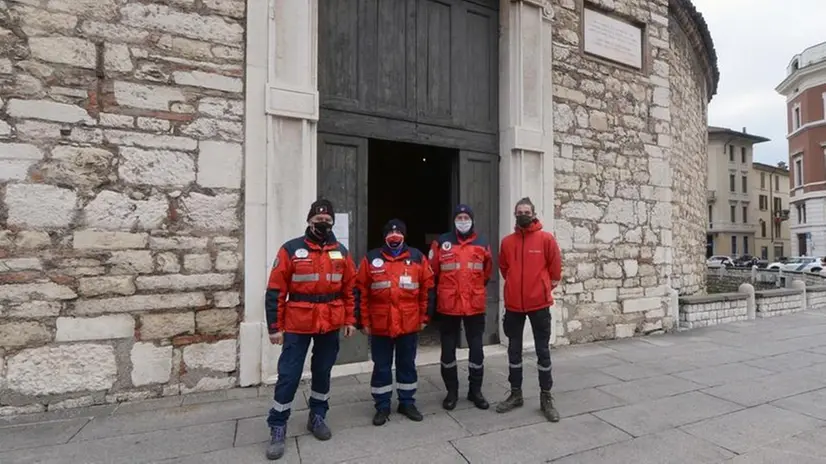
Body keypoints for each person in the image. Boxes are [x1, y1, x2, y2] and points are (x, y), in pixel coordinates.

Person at [264, 199, 358, 460]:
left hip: (330, 322)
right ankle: (278, 425)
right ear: (309, 221)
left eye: (327, 221)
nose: (323, 225)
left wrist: (350, 320)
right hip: (298, 323)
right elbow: (275, 290)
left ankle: (318, 416)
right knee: (289, 375)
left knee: (323, 371)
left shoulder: (341, 252)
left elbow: (350, 289)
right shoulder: (291, 249)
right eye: (318, 221)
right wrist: (275, 327)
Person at [356, 219, 435, 426]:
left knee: (406, 364)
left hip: (408, 324)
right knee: (381, 366)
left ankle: (407, 402)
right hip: (380, 324)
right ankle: (382, 405)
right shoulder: (371, 258)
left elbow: (427, 289)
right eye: (390, 232)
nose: (394, 235)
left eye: (399, 232)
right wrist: (362, 321)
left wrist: (425, 317)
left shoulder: (417, 257)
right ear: (384, 236)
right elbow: (361, 291)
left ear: (404, 235)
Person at [496, 197, 562, 422]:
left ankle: (546, 396)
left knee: (542, 351)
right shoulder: (507, 242)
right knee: (513, 351)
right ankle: (516, 394)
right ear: (515, 214)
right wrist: (516, 285)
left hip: (539, 305)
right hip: (514, 305)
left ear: (534, 213)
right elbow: (504, 268)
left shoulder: (546, 239)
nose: (523, 214)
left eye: (527, 211)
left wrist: (542, 288)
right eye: (519, 211)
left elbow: (555, 270)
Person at [429, 204, 493, 411]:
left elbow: (487, 272)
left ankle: (475, 391)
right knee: (448, 351)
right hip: (449, 305)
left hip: (474, 305)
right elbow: (433, 272)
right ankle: (452, 392)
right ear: (454, 220)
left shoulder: (482, 242)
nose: (463, 220)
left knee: (476, 350)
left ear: (472, 220)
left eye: (466, 217)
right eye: (460, 217)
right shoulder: (442, 242)